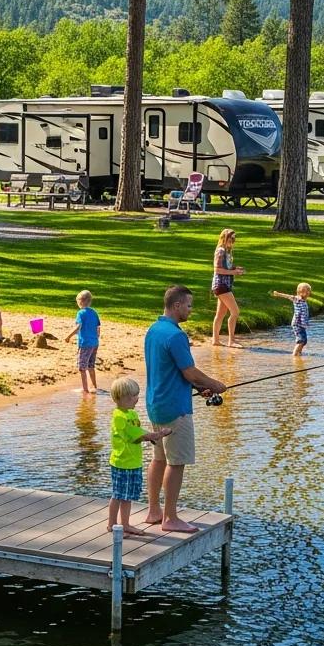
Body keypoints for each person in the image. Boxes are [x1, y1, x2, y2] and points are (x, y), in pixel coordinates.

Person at [144, 285, 227, 533]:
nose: (190, 310)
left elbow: (171, 370)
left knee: (158, 459)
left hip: (155, 403)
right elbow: (189, 371)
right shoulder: (176, 336)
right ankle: (170, 518)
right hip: (175, 408)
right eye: (189, 305)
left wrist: (200, 388)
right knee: (176, 462)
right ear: (177, 305)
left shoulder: (154, 330)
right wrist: (215, 384)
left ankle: (153, 511)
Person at [107, 376, 172, 535]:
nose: (136, 399)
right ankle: (115, 524)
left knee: (127, 495)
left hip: (133, 462)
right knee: (119, 495)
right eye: (131, 396)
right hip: (122, 462)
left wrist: (151, 436)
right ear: (120, 398)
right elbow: (135, 435)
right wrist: (157, 435)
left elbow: (139, 434)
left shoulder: (132, 414)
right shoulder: (119, 417)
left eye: (136, 395)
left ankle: (123, 524)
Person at [211, 228, 246, 348]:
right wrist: (233, 272)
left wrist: (236, 269)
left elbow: (226, 267)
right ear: (224, 238)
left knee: (220, 314)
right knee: (235, 312)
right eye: (230, 239)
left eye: (234, 239)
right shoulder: (220, 251)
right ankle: (231, 340)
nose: (232, 241)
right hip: (221, 285)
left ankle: (215, 340)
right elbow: (217, 269)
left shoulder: (227, 251)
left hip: (224, 285)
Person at [64, 289, 101, 394]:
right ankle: (94, 386)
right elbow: (98, 328)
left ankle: (85, 389)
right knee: (91, 365)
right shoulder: (94, 312)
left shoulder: (81, 313)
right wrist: (96, 338)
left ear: (81, 301)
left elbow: (78, 327)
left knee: (82, 367)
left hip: (85, 343)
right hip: (94, 343)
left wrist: (68, 336)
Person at [272, 283, 313, 356]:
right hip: (297, 324)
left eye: (308, 291)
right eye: (305, 292)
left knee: (304, 341)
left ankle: (299, 353)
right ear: (300, 292)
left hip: (302, 325)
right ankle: (294, 355)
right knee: (301, 340)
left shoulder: (304, 301)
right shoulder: (297, 299)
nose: (307, 293)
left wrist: (306, 324)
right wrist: (278, 294)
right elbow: (288, 296)